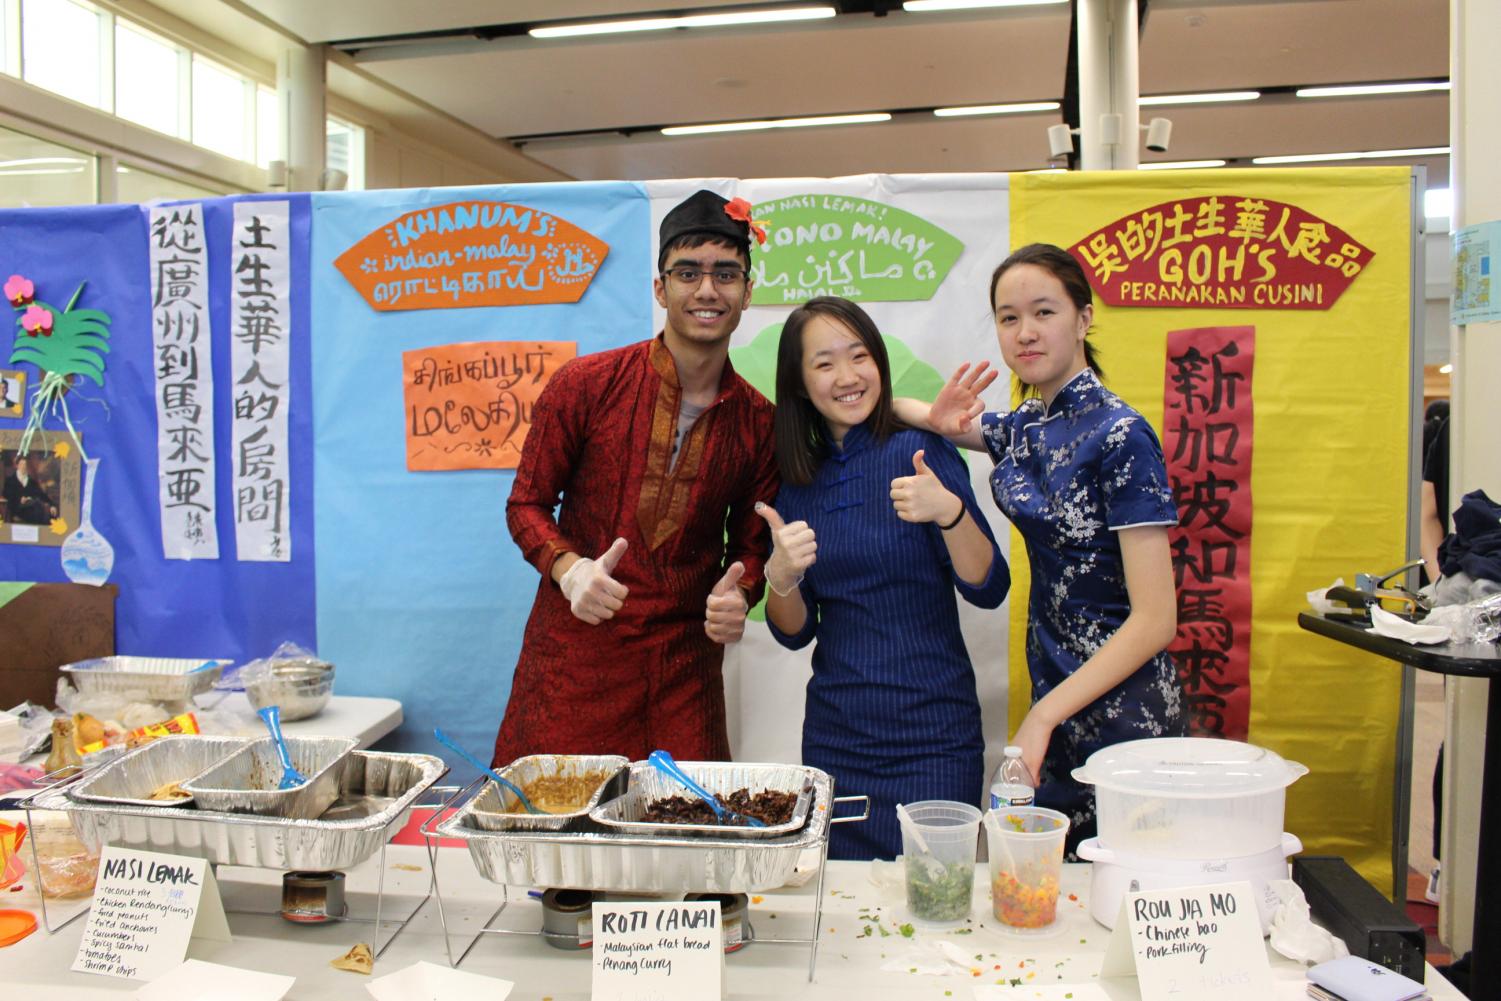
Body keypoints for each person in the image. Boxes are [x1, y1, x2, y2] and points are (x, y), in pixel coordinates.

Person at [898, 243, 1182, 855]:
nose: (1025, 332)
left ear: (1083, 318)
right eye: (1007, 317)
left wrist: (1045, 715)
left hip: (1123, 706)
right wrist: (926, 415)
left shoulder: (1121, 434)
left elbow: (1157, 620)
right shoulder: (1027, 427)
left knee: (1119, 890)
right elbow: (912, 410)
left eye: (1044, 312)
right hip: (1053, 693)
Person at [492, 190, 780, 766]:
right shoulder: (586, 384)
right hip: (576, 655)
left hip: (684, 670)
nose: (706, 289)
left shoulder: (758, 421)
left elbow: (751, 545)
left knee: (685, 835)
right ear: (660, 288)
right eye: (688, 272)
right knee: (551, 834)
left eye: (726, 273)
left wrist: (742, 592)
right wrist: (569, 570)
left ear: (747, 293)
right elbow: (525, 504)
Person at [757, 296, 1009, 860]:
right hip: (837, 740)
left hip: (935, 739)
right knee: (846, 922)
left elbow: (988, 586)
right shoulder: (797, 480)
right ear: (799, 383)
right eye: (824, 364)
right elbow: (795, 632)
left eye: (860, 356)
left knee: (934, 910)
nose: (847, 377)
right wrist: (781, 578)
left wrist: (949, 512)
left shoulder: (918, 449)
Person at [3, 452, 57, 525]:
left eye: (25, 465)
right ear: (17, 465)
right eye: (21, 464)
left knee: (39, 508)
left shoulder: (31, 481)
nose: (23, 467)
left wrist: (52, 505)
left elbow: (41, 494)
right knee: (38, 509)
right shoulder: (11, 480)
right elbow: (5, 494)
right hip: (17, 508)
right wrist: (19, 499)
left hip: (32, 507)